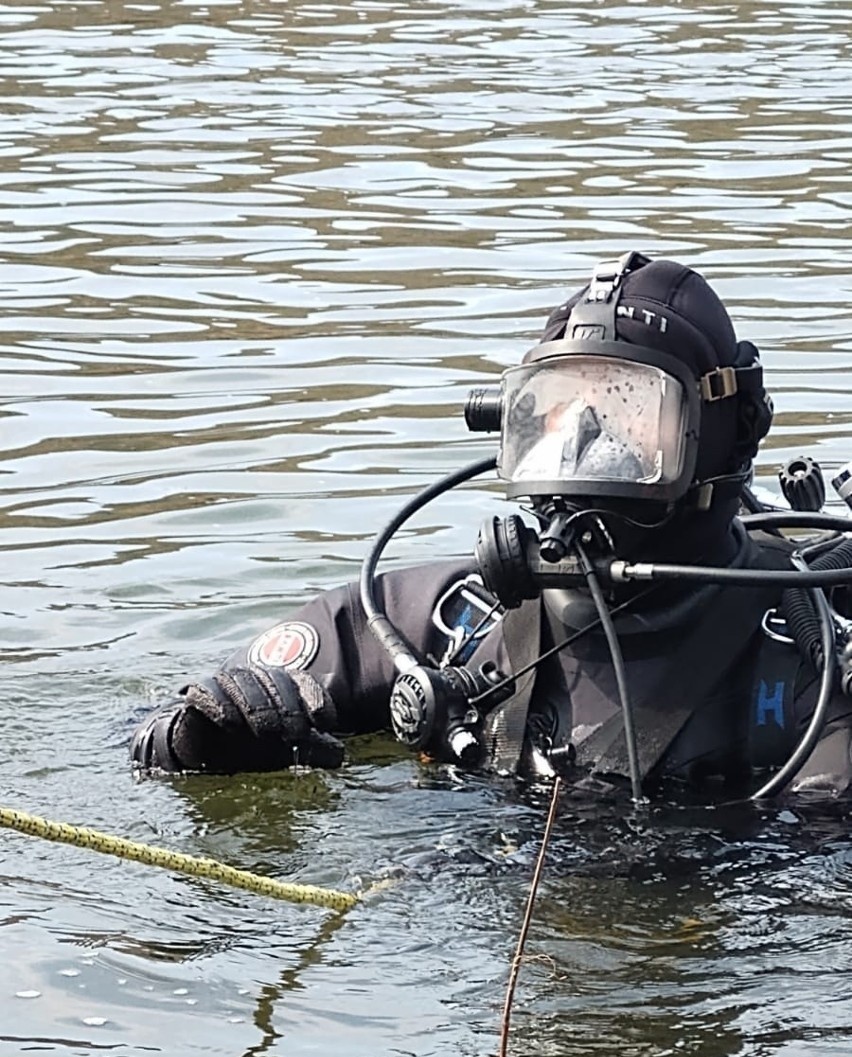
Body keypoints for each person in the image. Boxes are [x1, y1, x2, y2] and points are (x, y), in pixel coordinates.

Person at [131, 252, 852, 803]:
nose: (588, 451)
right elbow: (151, 729)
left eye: (633, 418)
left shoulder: (808, 662)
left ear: (724, 433)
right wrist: (198, 741)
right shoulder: (443, 620)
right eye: (562, 417)